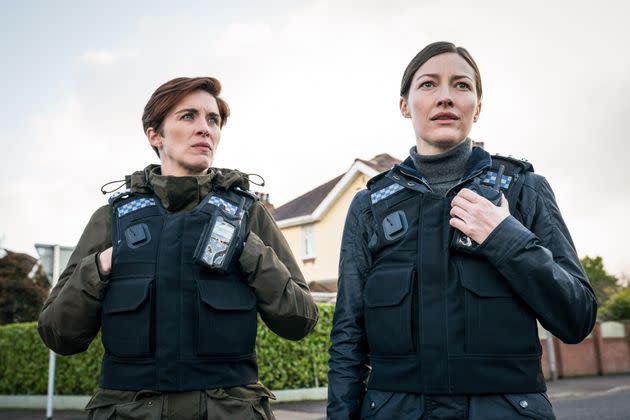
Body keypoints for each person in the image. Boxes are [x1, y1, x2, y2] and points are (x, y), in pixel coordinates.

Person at [327, 42, 597, 419]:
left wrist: (506, 237)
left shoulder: (524, 189)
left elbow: (577, 318)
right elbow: (347, 338)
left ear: (478, 107)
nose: (445, 97)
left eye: (461, 85)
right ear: (404, 106)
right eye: (428, 85)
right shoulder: (368, 207)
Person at [38, 77, 318, 420]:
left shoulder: (249, 216)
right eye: (188, 116)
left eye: (212, 120)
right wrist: (100, 266)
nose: (205, 129)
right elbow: (57, 333)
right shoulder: (113, 220)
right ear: (154, 135)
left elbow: (300, 320)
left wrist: (250, 252)